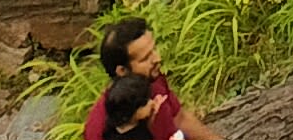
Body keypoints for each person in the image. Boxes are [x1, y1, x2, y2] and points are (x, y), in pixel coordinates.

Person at [82, 19, 224, 140]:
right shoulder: (100, 128)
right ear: (122, 71)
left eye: (154, 50)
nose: (157, 58)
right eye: (145, 58)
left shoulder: (152, 79)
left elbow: (179, 118)